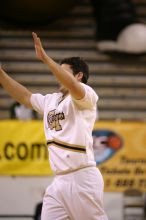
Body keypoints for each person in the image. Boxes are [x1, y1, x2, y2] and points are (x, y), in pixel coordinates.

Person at [0, 32, 108, 220]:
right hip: (59, 181)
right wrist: (1, 75)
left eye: (62, 71)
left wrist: (46, 60)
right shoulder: (52, 100)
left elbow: (73, 87)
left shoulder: (86, 95)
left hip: (82, 178)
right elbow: (25, 96)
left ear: (79, 75)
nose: (57, 76)